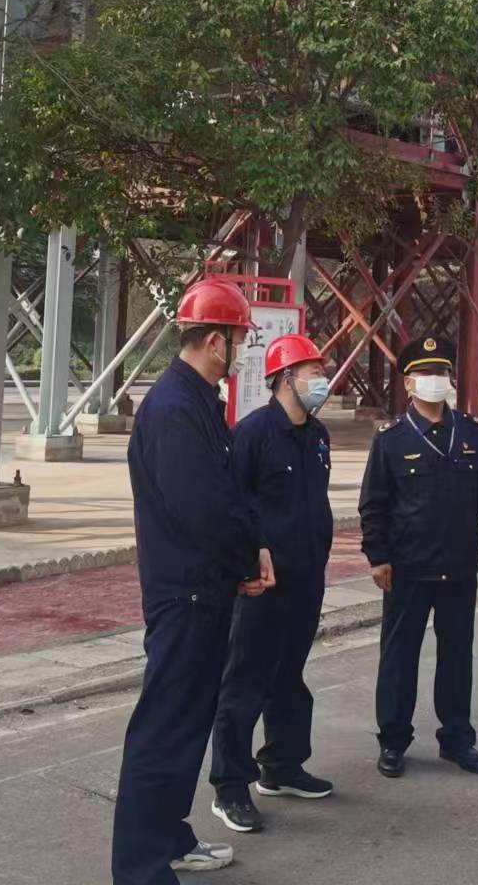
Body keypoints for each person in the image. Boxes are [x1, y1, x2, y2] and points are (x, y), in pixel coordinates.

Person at [112, 278, 273, 884]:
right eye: (238, 339)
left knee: (185, 729)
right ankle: (140, 869)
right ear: (213, 341)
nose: (241, 350)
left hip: (206, 588)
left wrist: (253, 549)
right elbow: (201, 508)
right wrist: (245, 562)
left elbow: (227, 494)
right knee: (163, 732)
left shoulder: (198, 399)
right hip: (185, 592)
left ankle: (170, 839)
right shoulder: (174, 408)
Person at [358, 335, 478, 778]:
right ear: (408, 383)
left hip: (459, 565)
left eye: (441, 372)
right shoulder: (391, 439)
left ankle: (457, 740)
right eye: (425, 373)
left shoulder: (471, 433)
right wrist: (377, 556)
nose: (435, 380)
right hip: (407, 568)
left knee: (457, 656)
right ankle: (393, 741)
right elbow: (373, 504)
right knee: (399, 657)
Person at [208, 334, 337, 835]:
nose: (322, 380)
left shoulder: (318, 435)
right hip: (262, 584)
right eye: (313, 372)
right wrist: (246, 564)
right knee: (244, 683)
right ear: (286, 379)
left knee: (290, 677)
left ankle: (282, 767)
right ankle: (230, 787)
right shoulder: (253, 434)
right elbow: (232, 505)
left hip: (307, 578)